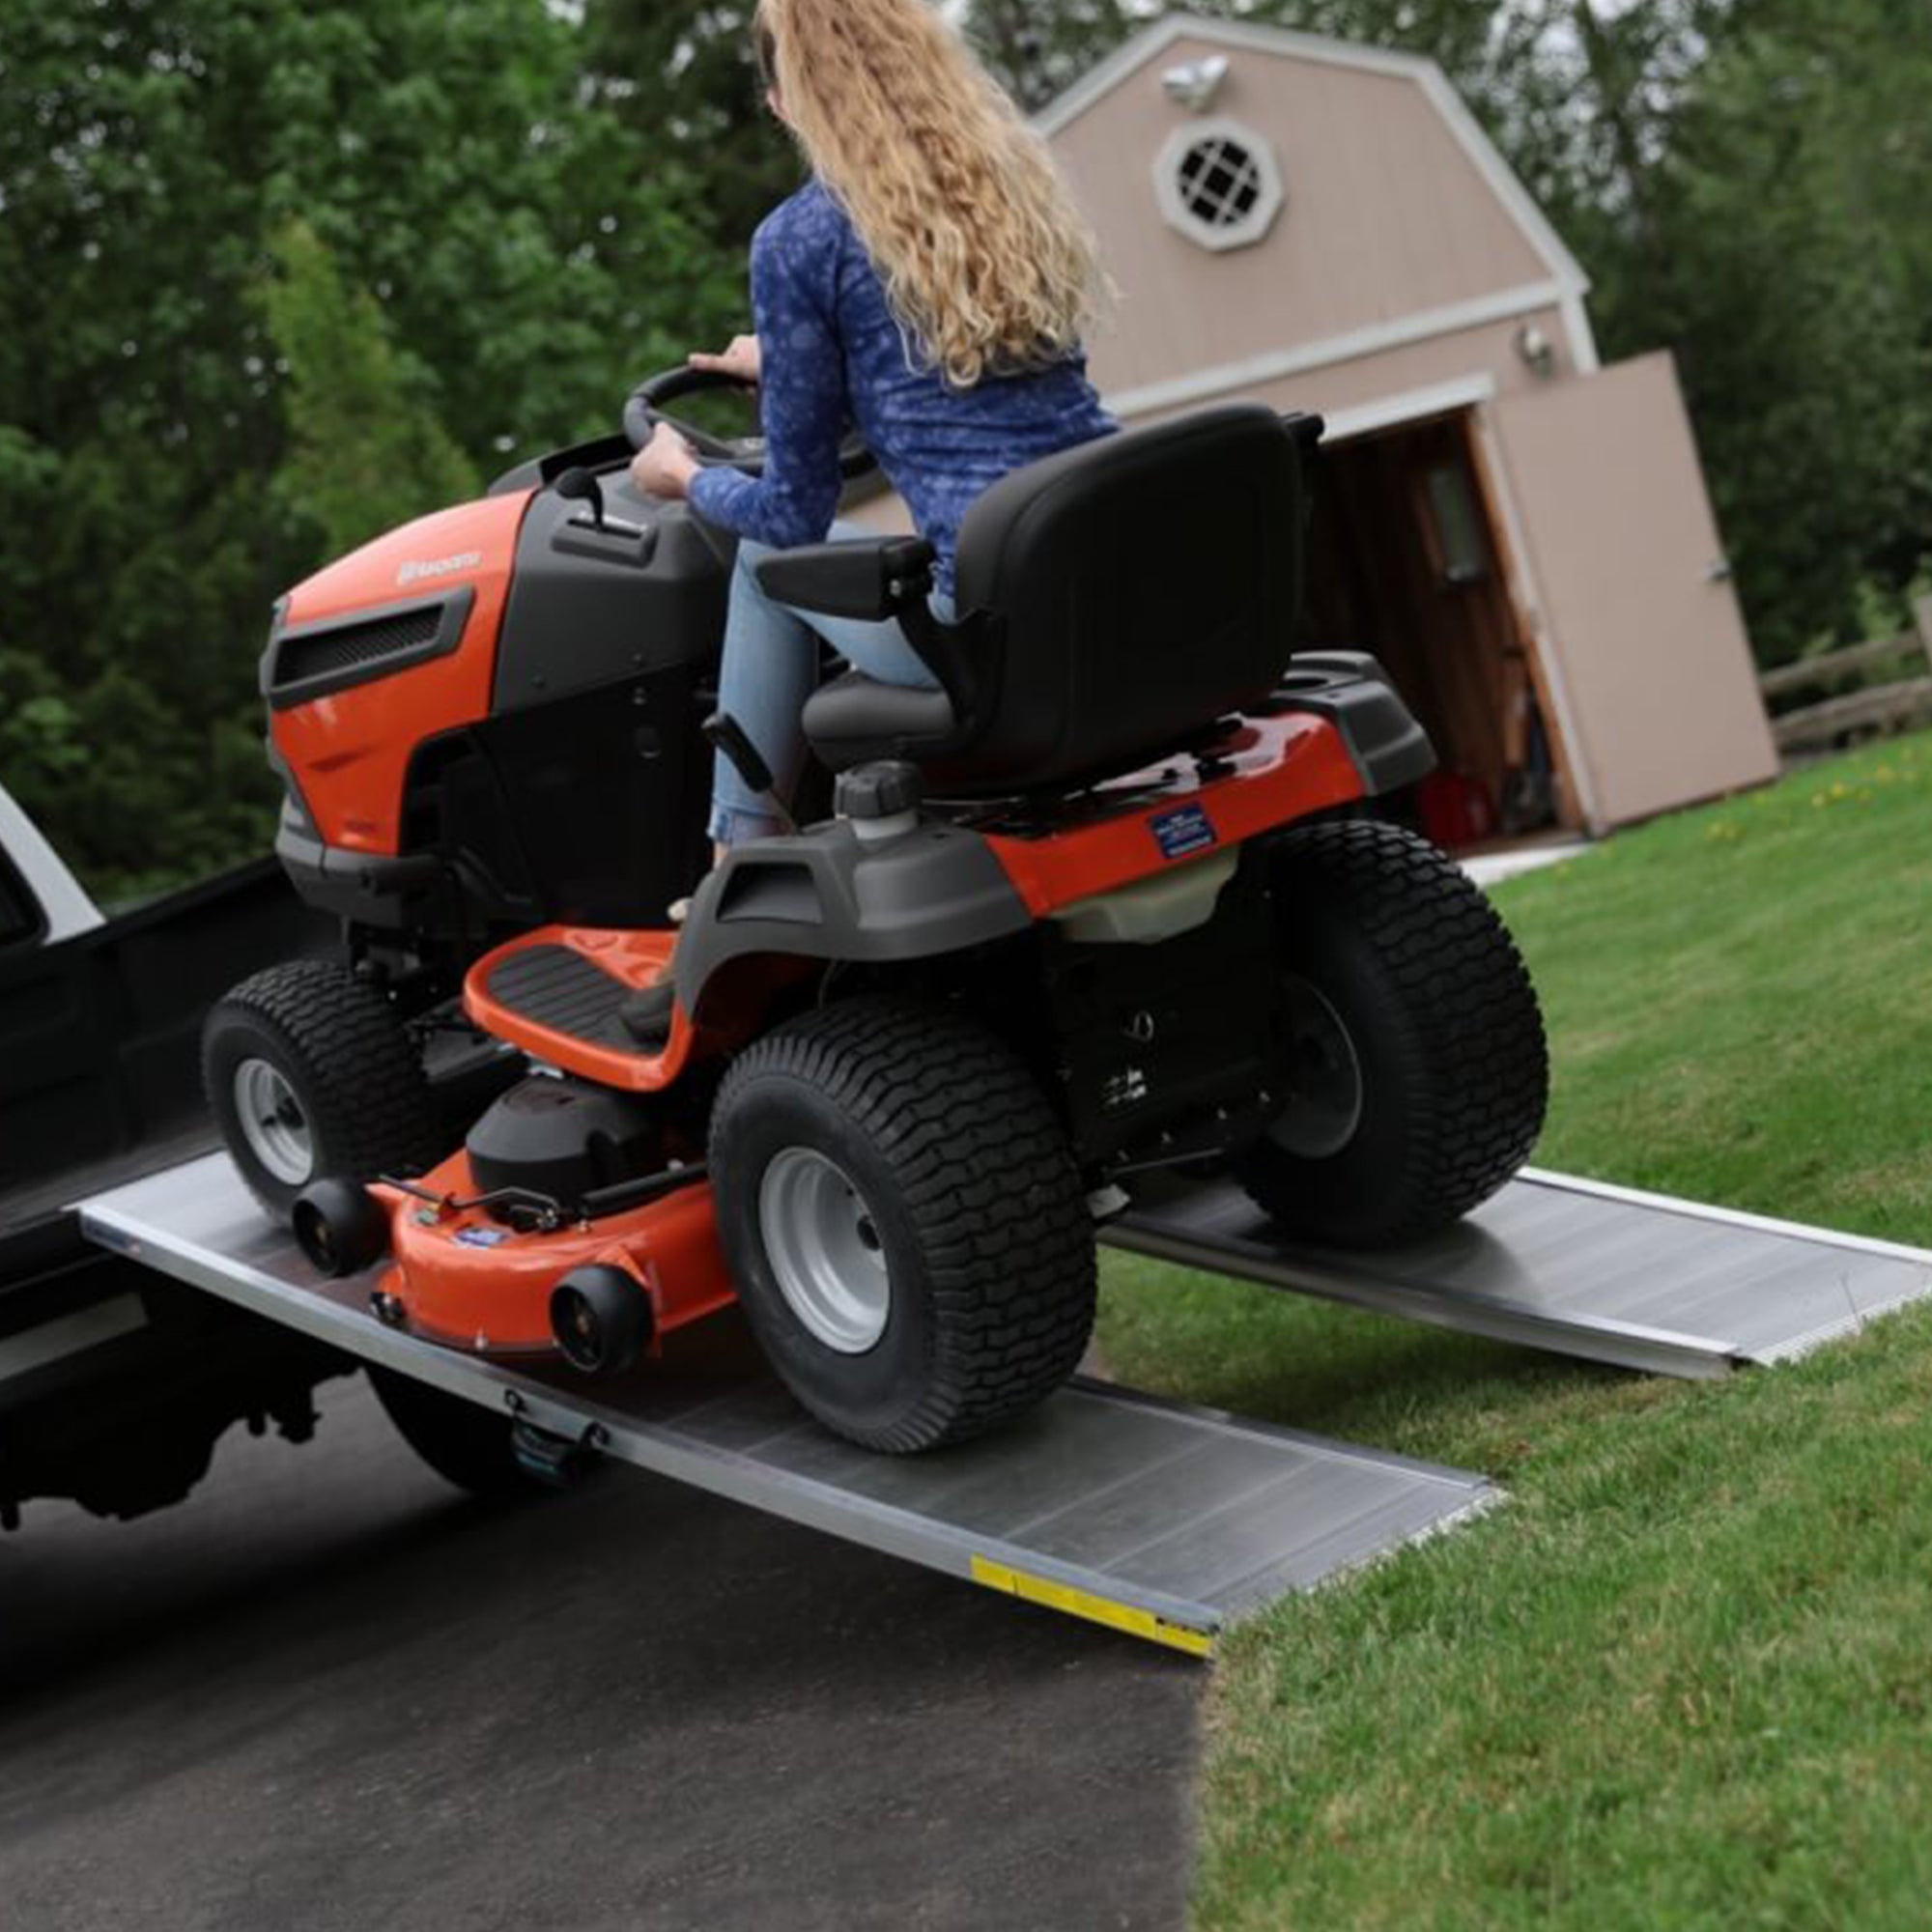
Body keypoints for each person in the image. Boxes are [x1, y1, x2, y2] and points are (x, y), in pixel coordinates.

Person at [630, 0, 1117, 863]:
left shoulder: (801, 239)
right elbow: (968, 385)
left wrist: (685, 476)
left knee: (765, 562)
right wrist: (796, 364)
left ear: (791, 101)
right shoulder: (1008, 186)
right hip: (1114, 570)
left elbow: (792, 515)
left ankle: (738, 859)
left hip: (999, 630)